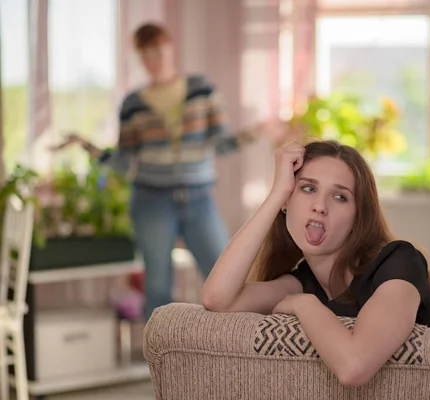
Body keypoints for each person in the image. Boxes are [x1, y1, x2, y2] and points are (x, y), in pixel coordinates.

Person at [52, 23, 276, 320]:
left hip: (199, 199)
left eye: (157, 51)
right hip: (151, 200)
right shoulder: (133, 104)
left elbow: (222, 144)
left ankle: (235, 353)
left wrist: (259, 130)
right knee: (157, 286)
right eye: (145, 55)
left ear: (170, 48)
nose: (153, 60)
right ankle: (159, 363)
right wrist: (86, 146)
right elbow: (124, 161)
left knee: (226, 277)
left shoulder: (201, 89)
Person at [201, 139, 430, 387]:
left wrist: (305, 305)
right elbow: (218, 298)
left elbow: (354, 366)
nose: (320, 206)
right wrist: (276, 195)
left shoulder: (398, 264)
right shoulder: (301, 282)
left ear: (358, 217)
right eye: (308, 189)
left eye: (340, 196)